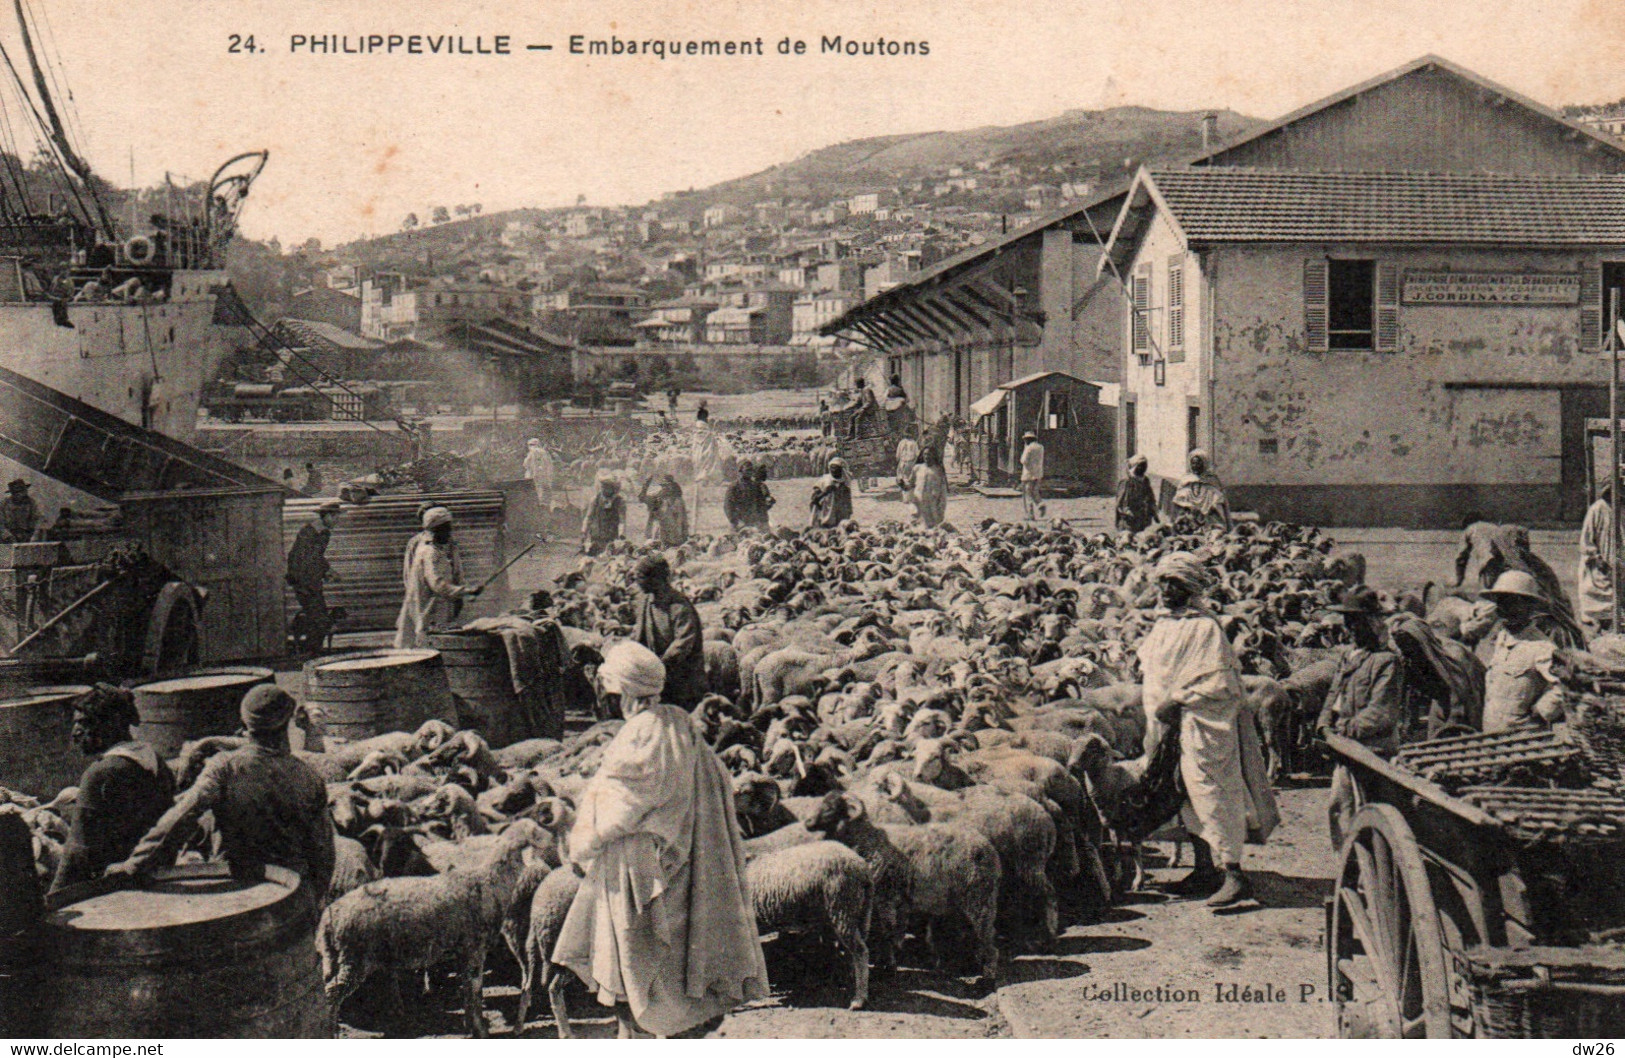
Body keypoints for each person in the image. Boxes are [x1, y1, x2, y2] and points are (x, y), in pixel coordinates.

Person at [552, 641, 768, 1038]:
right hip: (686, 859)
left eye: (613, 692)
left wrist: (580, 844)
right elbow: (715, 779)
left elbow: (615, 808)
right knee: (679, 959)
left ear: (626, 692)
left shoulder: (638, 735)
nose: (611, 700)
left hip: (638, 865)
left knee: (638, 961)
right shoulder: (681, 723)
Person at [1136, 552, 1277, 907]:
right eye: (1163, 582)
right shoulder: (1164, 624)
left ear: (1190, 588)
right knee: (1181, 793)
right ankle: (1204, 869)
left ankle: (1233, 872)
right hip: (1165, 728)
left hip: (1201, 724)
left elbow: (1221, 682)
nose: (1166, 590)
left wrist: (1180, 700)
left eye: (1175, 584)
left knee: (1212, 792)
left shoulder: (1205, 627)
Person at [107, 685, 335, 900]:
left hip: (241, 884)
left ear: (244, 724)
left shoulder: (226, 767)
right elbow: (323, 852)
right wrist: (310, 899)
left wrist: (133, 865)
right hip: (291, 887)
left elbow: (181, 816)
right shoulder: (308, 776)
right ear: (288, 723)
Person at [50, 686, 175, 893]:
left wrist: (54, 897)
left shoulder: (101, 773)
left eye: (84, 723)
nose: (75, 733)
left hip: (117, 884)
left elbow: (78, 853)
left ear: (110, 724)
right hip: (158, 872)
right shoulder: (152, 758)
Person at [1316, 586, 1407, 849]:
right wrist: (1323, 724)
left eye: (1357, 621)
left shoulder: (1387, 662)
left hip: (1373, 752)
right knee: (1341, 808)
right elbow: (1335, 694)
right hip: (1346, 748)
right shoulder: (1349, 656)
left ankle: (1368, 866)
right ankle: (1351, 863)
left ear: (1372, 622)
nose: (1351, 628)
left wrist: (1343, 729)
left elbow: (1381, 713)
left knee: (1371, 812)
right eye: (1348, 621)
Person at [1480, 570, 1567, 733]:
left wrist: (1541, 712)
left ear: (1528, 607)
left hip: (1524, 740)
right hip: (1491, 736)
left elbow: (1564, 686)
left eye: (1512, 603)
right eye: (1501, 603)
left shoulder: (1541, 647)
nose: (1504, 610)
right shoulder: (1500, 640)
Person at [1388, 612, 1486, 736]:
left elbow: (1459, 695)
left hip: (1468, 703)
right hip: (1442, 702)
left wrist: (1451, 724)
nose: (1405, 649)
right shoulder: (1413, 657)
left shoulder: (1452, 654)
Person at [394, 506, 479, 649]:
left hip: (437, 605)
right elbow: (437, 584)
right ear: (436, 530)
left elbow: (456, 571)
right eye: (446, 528)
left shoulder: (441, 547)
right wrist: (466, 591)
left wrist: (462, 593)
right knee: (426, 646)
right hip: (429, 607)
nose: (449, 532)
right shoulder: (429, 552)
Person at [632, 554, 705, 708]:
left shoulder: (679, 607)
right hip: (655, 678)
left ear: (656, 579)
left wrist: (659, 665)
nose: (637, 582)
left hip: (682, 681)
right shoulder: (646, 602)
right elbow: (638, 635)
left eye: (641, 577)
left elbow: (683, 643)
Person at [286, 499, 342, 653]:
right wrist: (325, 572)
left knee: (317, 615)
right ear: (327, 516)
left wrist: (326, 571)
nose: (337, 520)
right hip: (305, 582)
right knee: (318, 616)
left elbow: (315, 557)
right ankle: (312, 650)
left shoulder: (318, 532)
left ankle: (312, 649)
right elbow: (306, 557)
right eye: (335, 517)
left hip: (309, 580)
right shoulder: (314, 532)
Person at [1579, 482, 1616, 631]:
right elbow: (1586, 539)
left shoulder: (1621, 508)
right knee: (1597, 600)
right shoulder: (1597, 509)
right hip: (1599, 562)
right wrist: (1596, 556)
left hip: (1617, 561)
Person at [1170, 450, 1231, 530]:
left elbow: (1220, 494)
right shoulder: (1186, 478)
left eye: (1198, 463)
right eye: (1193, 463)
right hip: (1190, 510)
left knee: (1215, 495)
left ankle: (1212, 526)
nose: (1195, 466)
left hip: (1207, 507)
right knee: (1182, 494)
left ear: (1204, 464)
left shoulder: (1212, 479)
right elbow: (1179, 494)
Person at [640, 474, 690, 548]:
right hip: (660, 533)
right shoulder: (657, 498)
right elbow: (642, 498)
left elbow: (683, 519)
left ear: (672, 486)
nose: (665, 488)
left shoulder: (678, 501)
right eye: (663, 486)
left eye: (668, 486)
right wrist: (645, 486)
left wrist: (685, 533)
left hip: (675, 535)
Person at [1115, 454, 1159, 534]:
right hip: (1129, 520)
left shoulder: (1145, 480)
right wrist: (1127, 512)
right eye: (1139, 466)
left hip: (1143, 518)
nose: (1142, 468)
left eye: (1144, 465)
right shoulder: (1127, 482)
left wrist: (1153, 511)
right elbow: (1121, 502)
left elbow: (1150, 497)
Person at [724, 460, 773, 531]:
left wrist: (769, 503)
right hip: (740, 521)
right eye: (747, 470)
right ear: (741, 470)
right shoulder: (734, 487)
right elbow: (728, 506)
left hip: (756, 521)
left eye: (751, 470)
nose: (750, 472)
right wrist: (734, 521)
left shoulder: (756, 486)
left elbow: (761, 506)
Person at [582, 475, 625, 555]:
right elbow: (589, 517)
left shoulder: (620, 501)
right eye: (602, 486)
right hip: (596, 535)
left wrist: (621, 535)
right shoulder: (595, 499)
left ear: (613, 488)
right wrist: (584, 530)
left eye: (607, 487)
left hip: (611, 536)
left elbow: (622, 520)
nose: (603, 489)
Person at [905, 448, 948, 528]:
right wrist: (903, 484)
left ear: (933, 456)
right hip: (919, 502)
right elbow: (910, 484)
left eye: (929, 454)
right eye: (925, 454)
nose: (927, 456)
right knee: (917, 527)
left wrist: (941, 505)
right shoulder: (917, 468)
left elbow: (943, 490)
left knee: (932, 528)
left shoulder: (938, 470)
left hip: (932, 503)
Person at [810, 457, 854, 529]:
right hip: (825, 519)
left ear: (841, 469)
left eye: (835, 468)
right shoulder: (824, 481)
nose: (833, 470)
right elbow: (814, 499)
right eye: (831, 468)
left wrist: (848, 511)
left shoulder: (845, 483)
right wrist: (825, 492)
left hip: (841, 519)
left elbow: (848, 501)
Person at [524, 438, 559, 511]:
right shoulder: (545, 452)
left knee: (535, 492)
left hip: (533, 476)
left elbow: (526, 464)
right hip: (544, 476)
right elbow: (550, 465)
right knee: (545, 493)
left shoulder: (532, 452)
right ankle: (546, 508)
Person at [1019, 431, 1046, 521]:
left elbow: (1023, 460)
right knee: (1035, 492)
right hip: (1038, 474)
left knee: (1028, 495)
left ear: (1027, 440)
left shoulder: (1029, 448)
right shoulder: (1040, 447)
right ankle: (1040, 504)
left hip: (1028, 474)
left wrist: (1025, 449)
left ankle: (1030, 515)